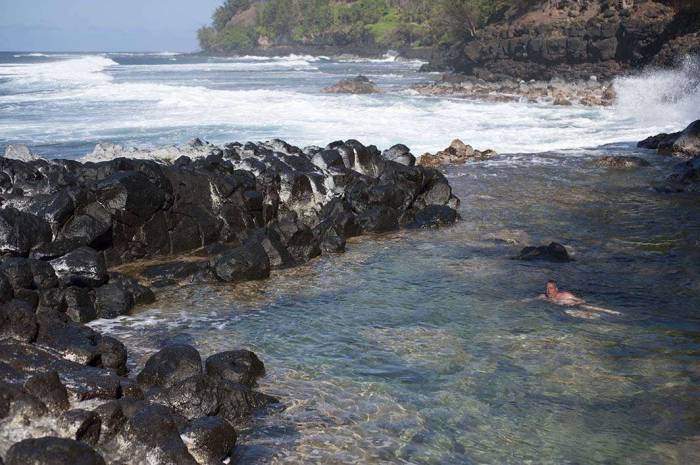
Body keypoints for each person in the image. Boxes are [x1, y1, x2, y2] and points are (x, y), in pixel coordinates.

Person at [541, 280, 621, 318]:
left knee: (587, 307)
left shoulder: (565, 295)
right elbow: (531, 299)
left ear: (556, 289)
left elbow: (582, 300)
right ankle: (604, 317)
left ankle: (612, 312)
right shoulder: (544, 296)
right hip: (568, 309)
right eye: (547, 288)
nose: (548, 291)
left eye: (550, 288)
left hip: (575, 305)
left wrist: (574, 303)